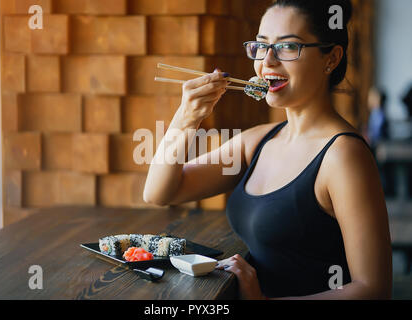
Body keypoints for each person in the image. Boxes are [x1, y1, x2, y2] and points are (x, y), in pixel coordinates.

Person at [143, 0, 392, 299]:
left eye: (288, 47)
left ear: (331, 58)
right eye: (261, 46)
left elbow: (373, 289)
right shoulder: (257, 141)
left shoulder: (343, 156)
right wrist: (186, 118)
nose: (267, 62)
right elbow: (160, 192)